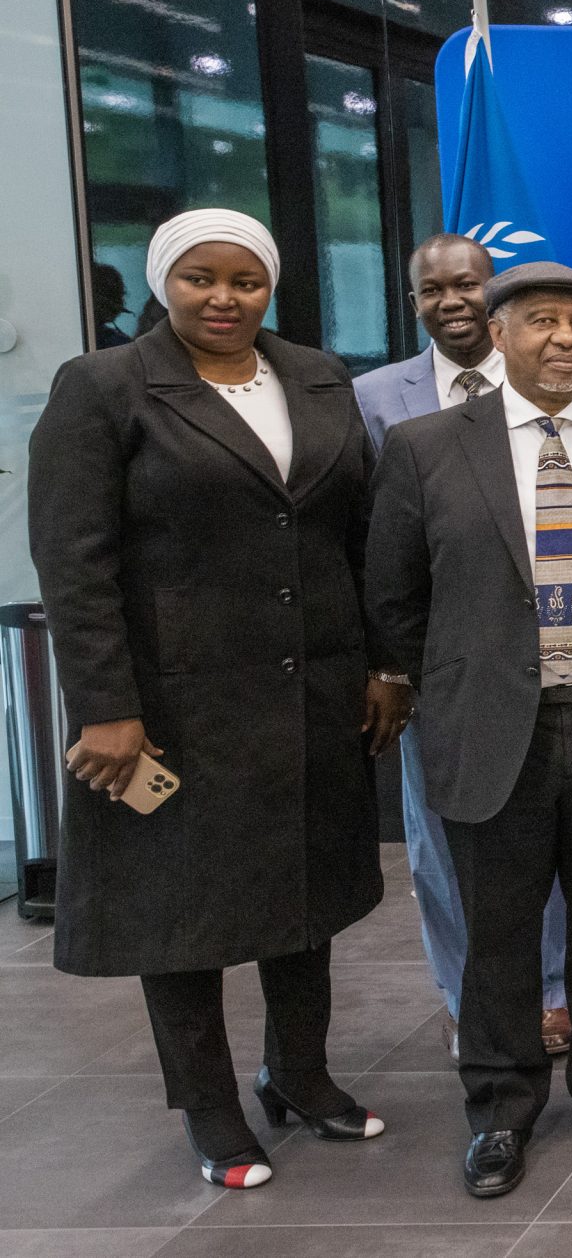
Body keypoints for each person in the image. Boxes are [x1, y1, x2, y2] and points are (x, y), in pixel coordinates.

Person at [29, 209, 398, 1189]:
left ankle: (303, 1077)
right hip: (176, 707)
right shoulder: (104, 387)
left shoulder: (317, 377)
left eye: (246, 280)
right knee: (183, 916)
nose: (224, 297)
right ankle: (212, 1109)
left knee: (307, 898)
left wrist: (379, 662)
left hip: (314, 690)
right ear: (163, 282)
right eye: (201, 279)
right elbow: (74, 560)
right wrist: (105, 706)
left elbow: (353, 533)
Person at [366, 261, 572, 1199]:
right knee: (499, 932)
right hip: (490, 727)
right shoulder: (428, 446)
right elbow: (393, 595)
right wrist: (443, 687)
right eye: (542, 321)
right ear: (498, 333)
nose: (564, 338)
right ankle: (503, 1109)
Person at [354, 233, 572, 1065]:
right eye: (430, 289)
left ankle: (550, 994)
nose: (451, 301)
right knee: (444, 846)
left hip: (548, 649)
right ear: (413, 301)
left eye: (467, 285)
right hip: (437, 666)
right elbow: (373, 550)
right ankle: (463, 997)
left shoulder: (554, 380)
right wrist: (392, 665)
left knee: (546, 836)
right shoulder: (375, 399)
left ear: (496, 293)